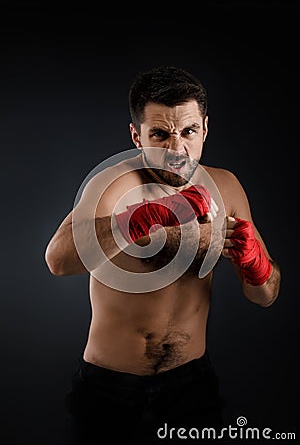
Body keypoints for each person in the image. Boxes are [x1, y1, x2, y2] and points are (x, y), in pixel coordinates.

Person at [44, 66, 281, 444]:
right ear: (136, 136)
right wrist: (143, 217)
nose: (176, 149)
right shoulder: (114, 183)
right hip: (110, 389)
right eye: (160, 134)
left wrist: (255, 265)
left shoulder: (226, 186)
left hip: (192, 387)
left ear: (205, 127)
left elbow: (266, 295)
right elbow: (58, 260)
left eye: (188, 131)